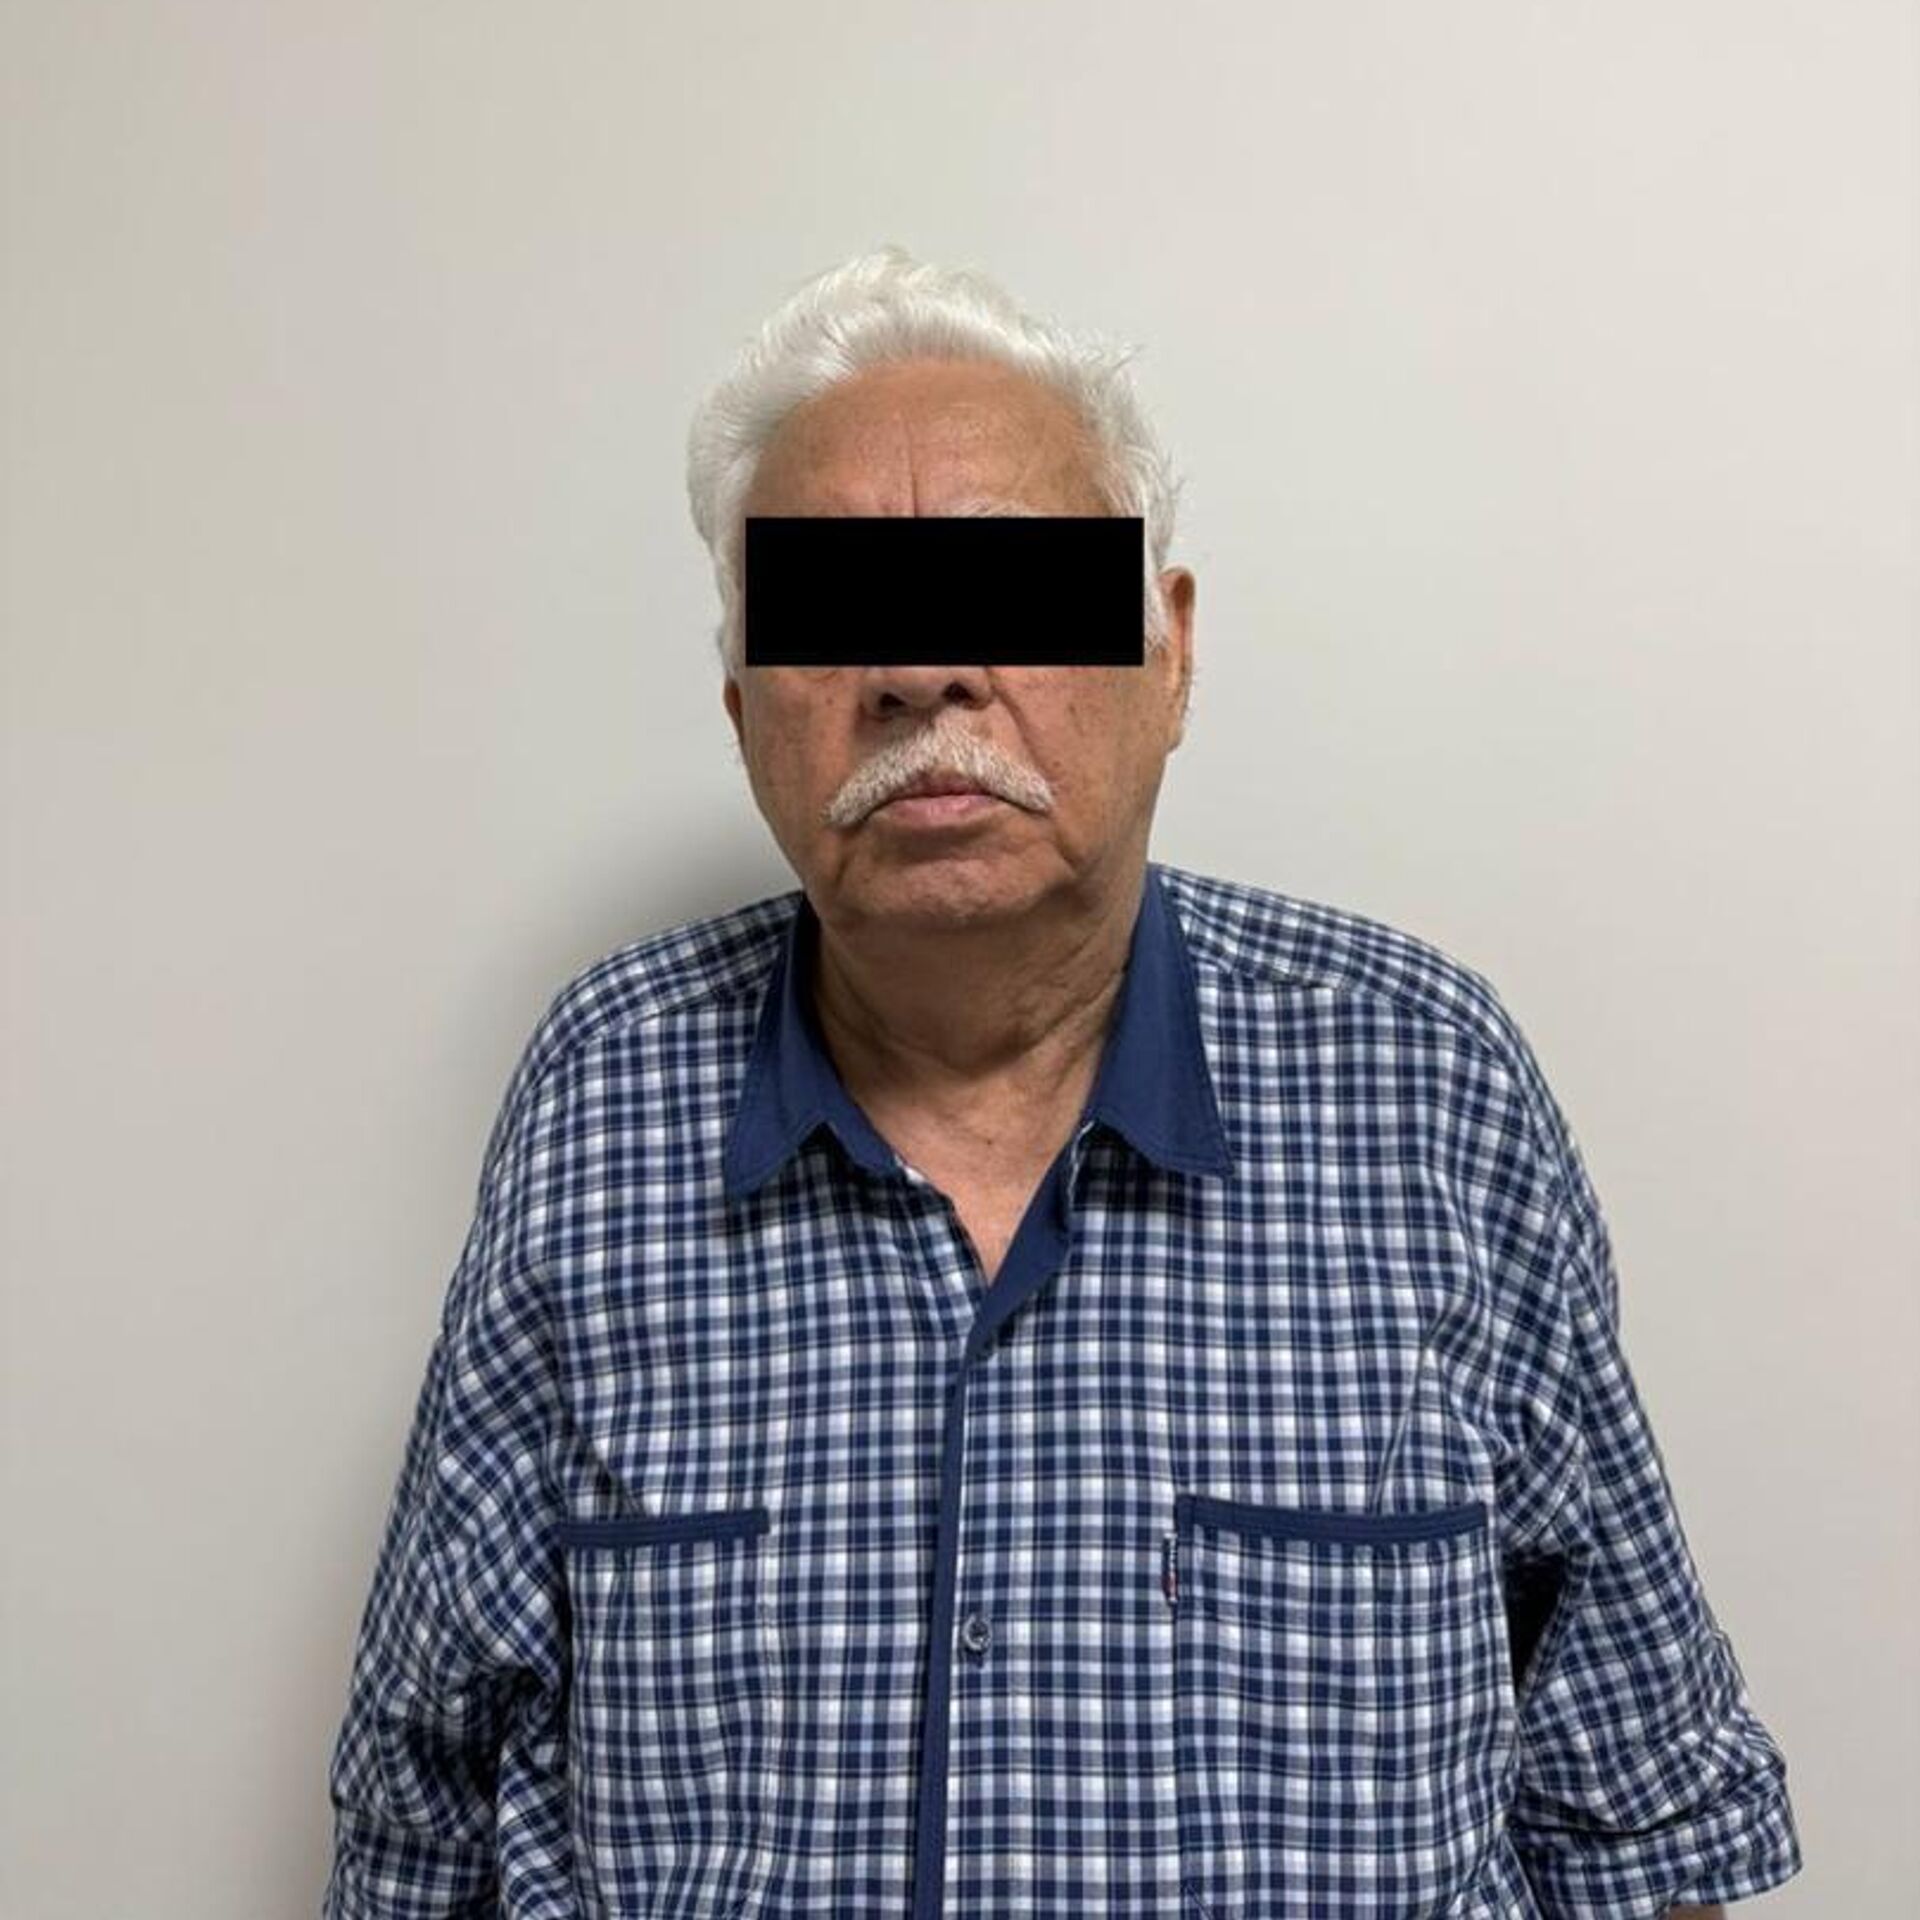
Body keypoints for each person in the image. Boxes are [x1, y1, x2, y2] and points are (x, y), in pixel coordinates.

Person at [321, 245, 1801, 1918]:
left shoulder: (1426, 1084)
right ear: (742, 710)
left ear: (1170, 655)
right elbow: (421, 1818)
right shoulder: (605, 1094)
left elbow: (1637, 1814)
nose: (920, 674)